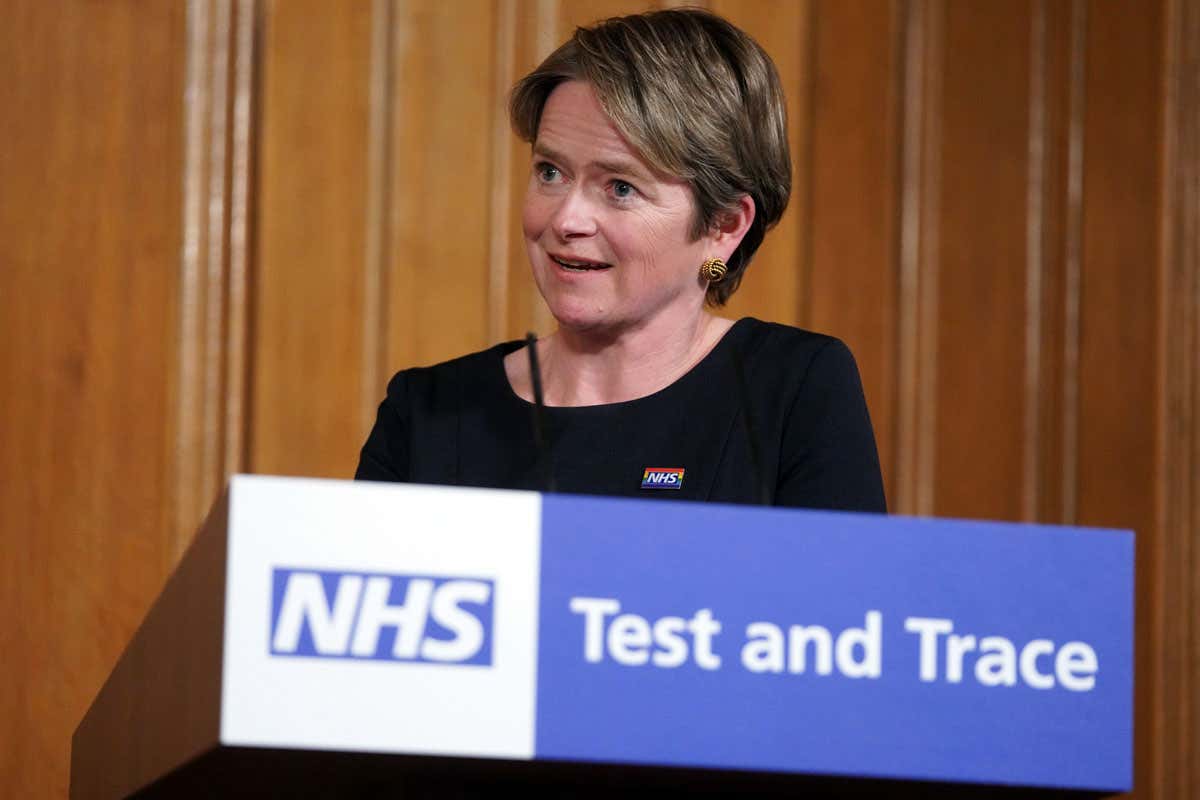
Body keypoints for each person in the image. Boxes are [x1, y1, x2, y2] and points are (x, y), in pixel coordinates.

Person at [356, 8, 886, 512]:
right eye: (550, 172)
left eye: (620, 187)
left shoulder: (793, 390)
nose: (567, 219)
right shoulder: (425, 413)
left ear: (724, 226)